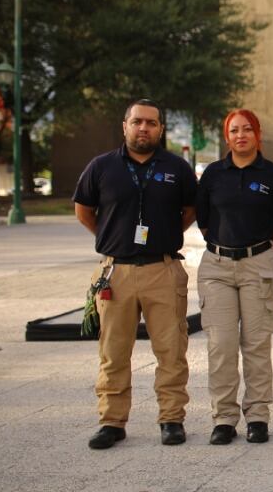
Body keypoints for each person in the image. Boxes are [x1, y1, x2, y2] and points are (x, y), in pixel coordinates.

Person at [74, 99, 197, 450]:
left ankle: (171, 419)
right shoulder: (101, 167)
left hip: (163, 270)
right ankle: (111, 422)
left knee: (171, 351)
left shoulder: (177, 168)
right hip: (117, 272)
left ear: (161, 129)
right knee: (113, 352)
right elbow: (83, 210)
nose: (144, 128)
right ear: (125, 126)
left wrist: (165, 236)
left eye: (151, 123)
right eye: (137, 121)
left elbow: (190, 210)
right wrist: (111, 238)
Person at [195, 109, 273, 445]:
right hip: (217, 268)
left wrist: (255, 252)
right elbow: (204, 220)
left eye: (247, 129)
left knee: (256, 345)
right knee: (221, 345)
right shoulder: (212, 174)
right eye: (234, 130)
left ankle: (257, 416)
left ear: (257, 134)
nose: (241, 135)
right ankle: (223, 418)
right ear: (227, 137)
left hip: (258, 266)